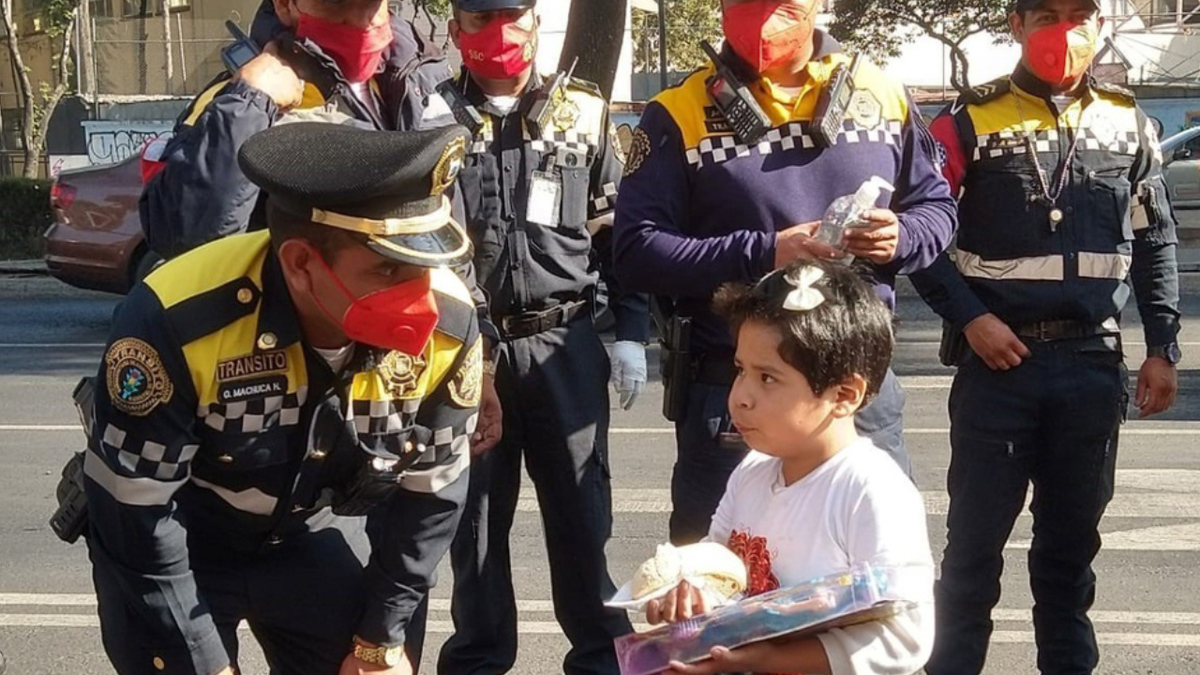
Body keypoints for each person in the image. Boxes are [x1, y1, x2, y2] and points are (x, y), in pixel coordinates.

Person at [83, 123, 481, 675]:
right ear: (300, 264)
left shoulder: (452, 323)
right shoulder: (176, 318)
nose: (421, 297)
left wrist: (380, 638)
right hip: (177, 536)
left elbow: (432, 496)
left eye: (426, 265)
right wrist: (199, 659)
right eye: (388, 268)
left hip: (304, 530)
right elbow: (137, 516)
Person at [613, 0, 957, 545]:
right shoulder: (678, 111)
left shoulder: (882, 93)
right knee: (715, 585)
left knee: (872, 578)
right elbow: (635, 250)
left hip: (856, 394)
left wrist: (902, 236)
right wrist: (764, 252)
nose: (762, 19)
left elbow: (937, 208)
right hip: (734, 394)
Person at [908, 1, 1181, 673]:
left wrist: (1162, 347)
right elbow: (919, 239)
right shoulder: (964, 122)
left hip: (1093, 365)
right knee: (971, 558)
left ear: (1102, 25)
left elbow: (1155, 239)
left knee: (1067, 561)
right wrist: (970, 318)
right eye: (1048, 14)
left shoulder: (1130, 123)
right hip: (998, 366)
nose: (1066, 30)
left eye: (1081, 14)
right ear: (1017, 26)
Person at [433, 2, 651, 675]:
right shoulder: (430, 117)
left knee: (584, 522)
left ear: (535, 26)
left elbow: (620, 233)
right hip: (468, 354)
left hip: (565, 345)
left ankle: (599, 661)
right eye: (478, 19)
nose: (497, 34)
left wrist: (632, 333)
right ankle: (477, 660)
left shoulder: (584, 113)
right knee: (473, 531)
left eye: (512, 17)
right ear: (454, 30)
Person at [644, 261, 935, 675]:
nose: (740, 396)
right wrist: (688, 592)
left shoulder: (871, 490)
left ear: (845, 394)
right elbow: (717, 571)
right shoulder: (753, 471)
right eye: (740, 370)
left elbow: (905, 637)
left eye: (768, 378)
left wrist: (773, 660)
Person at [139, 0, 456, 259]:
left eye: (372, 6)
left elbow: (453, 222)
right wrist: (249, 103)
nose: (361, 22)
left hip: (417, 317)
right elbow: (186, 241)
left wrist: (470, 321)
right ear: (285, 6)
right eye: (336, 7)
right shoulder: (236, 104)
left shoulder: (420, 80)